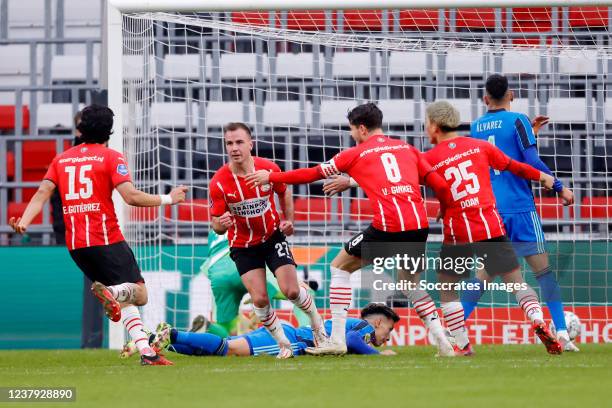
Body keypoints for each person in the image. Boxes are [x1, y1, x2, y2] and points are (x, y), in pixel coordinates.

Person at [246, 103, 455, 356]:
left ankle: (336, 340)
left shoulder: (355, 154)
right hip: (418, 226)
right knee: (411, 284)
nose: (352, 135)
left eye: (352, 130)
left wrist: (272, 177)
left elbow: (312, 173)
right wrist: (443, 209)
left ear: (362, 128)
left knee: (339, 267)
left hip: (387, 227)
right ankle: (442, 340)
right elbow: (440, 185)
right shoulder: (407, 149)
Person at [9, 104, 188, 365]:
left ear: (80, 129)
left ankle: (146, 352)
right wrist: (168, 198)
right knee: (139, 293)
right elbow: (132, 197)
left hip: (76, 246)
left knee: (125, 298)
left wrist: (24, 222)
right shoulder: (110, 157)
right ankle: (112, 295)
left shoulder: (62, 159)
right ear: (110, 130)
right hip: (105, 239)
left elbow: (41, 194)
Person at [421, 100, 562, 355]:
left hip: (458, 233)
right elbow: (515, 167)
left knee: (447, 288)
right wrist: (543, 176)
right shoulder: (479, 146)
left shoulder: (428, 159)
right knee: (517, 283)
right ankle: (537, 319)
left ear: (433, 126)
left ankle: (463, 346)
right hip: (490, 227)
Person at [467, 74, 578, 352]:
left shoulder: (476, 127)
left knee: (482, 275)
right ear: (512, 94)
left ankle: (451, 331)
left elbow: (492, 160)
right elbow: (530, 161)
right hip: (520, 207)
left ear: (485, 99)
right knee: (543, 273)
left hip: (490, 210)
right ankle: (562, 333)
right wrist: (560, 187)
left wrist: (531, 134)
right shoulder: (518, 121)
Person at [208, 122, 326, 359]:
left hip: (272, 237)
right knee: (260, 298)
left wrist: (288, 219)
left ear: (250, 144)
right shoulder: (219, 182)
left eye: (239, 142)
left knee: (291, 291)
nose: (234, 148)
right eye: (229, 143)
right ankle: (283, 344)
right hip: (242, 245)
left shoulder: (267, 169)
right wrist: (223, 223)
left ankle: (318, 328)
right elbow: (216, 223)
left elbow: (284, 191)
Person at [151, 303, 399, 357]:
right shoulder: (362, 327)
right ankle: (173, 334)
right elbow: (353, 339)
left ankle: (161, 343)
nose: (386, 339)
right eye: (388, 330)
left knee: (208, 351)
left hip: (290, 334)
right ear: (378, 322)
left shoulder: (353, 325)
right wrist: (378, 355)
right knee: (227, 349)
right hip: (290, 340)